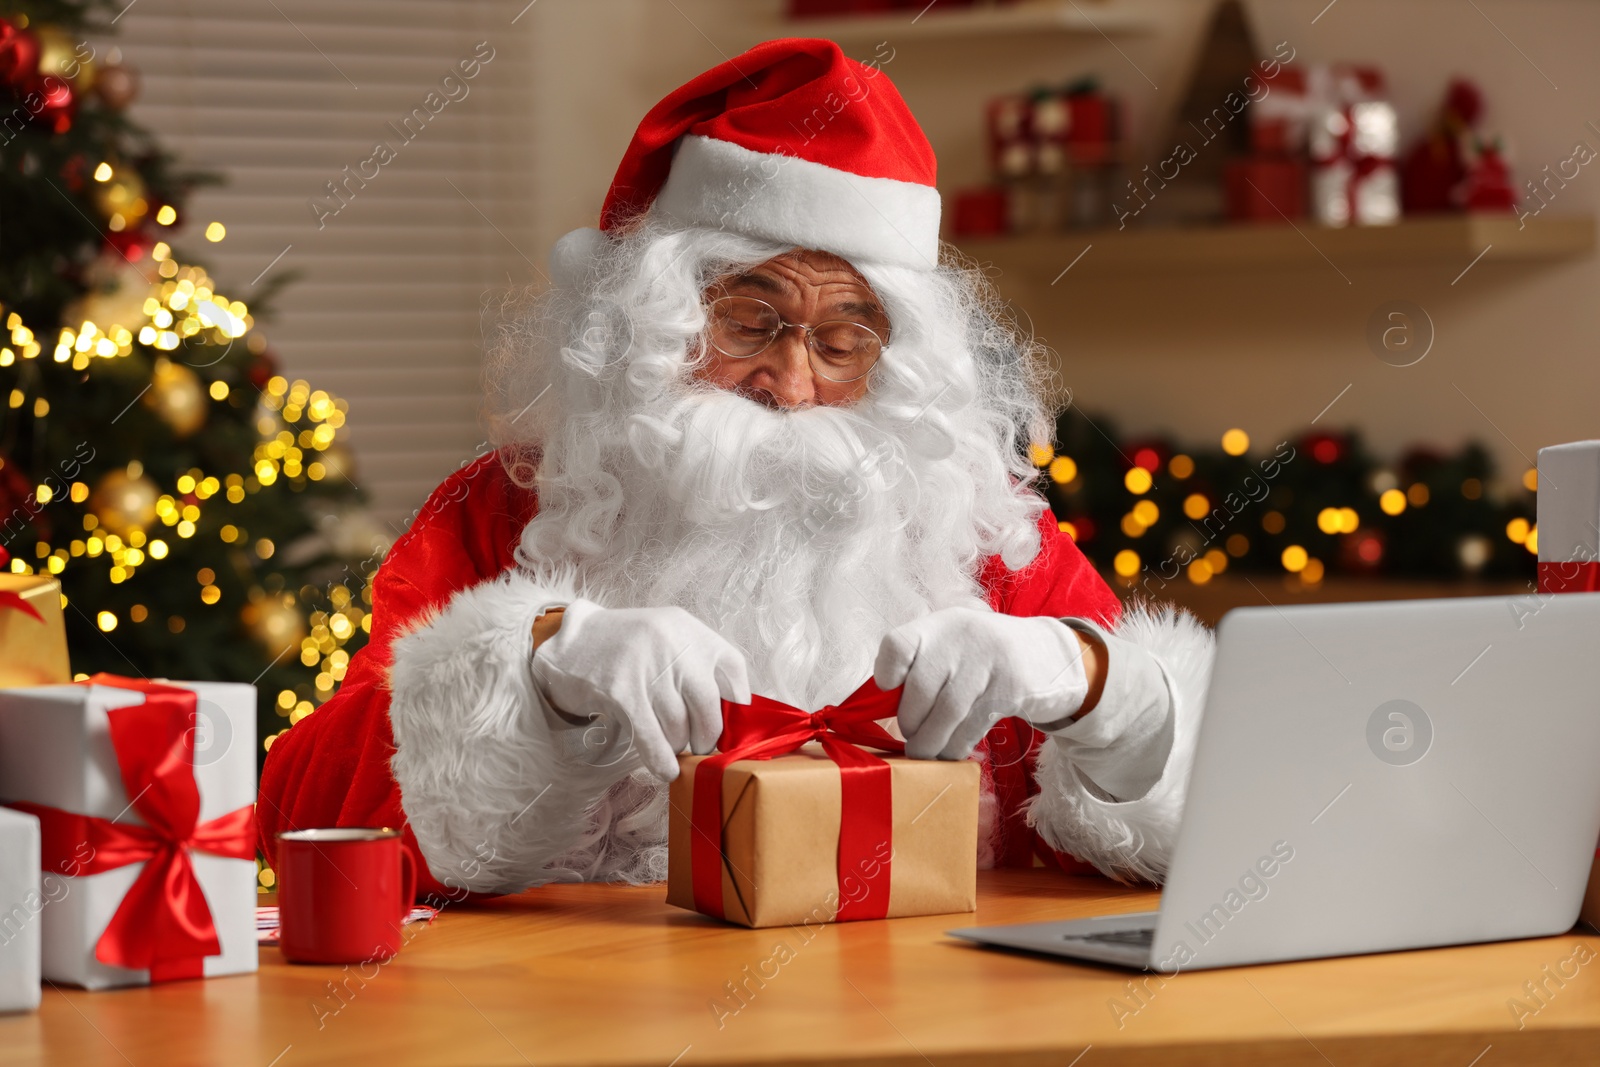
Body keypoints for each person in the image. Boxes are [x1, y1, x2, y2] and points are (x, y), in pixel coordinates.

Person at [256, 37, 1213, 903]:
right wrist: (536, 670)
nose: (791, 384)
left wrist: (1099, 688)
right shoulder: (511, 505)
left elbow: (1211, 834)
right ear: (647, 323)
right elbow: (308, 817)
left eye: (845, 341)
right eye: (750, 324)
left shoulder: (982, 524)